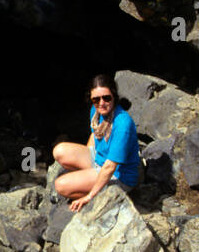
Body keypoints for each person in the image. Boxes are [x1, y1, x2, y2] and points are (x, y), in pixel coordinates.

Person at [52, 74, 140, 213]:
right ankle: (91, 182)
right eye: (96, 99)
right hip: (101, 159)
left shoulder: (122, 124)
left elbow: (110, 166)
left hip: (119, 175)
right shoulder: (96, 112)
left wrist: (89, 196)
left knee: (61, 185)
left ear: (114, 96)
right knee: (59, 150)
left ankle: (109, 196)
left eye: (106, 98)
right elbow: (95, 134)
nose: (101, 103)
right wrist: (88, 166)